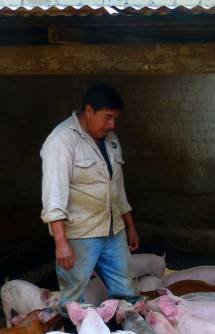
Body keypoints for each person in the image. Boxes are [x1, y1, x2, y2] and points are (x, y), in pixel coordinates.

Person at [40, 83, 142, 312]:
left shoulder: (111, 139)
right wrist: (61, 243)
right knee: (74, 300)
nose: (112, 124)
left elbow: (117, 187)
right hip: (80, 235)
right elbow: (53, 195)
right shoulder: (62, 141)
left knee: (128, 290)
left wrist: (130, 225)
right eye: (107, 117)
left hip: (113, 231)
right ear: (88, 110)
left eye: (115, 118)